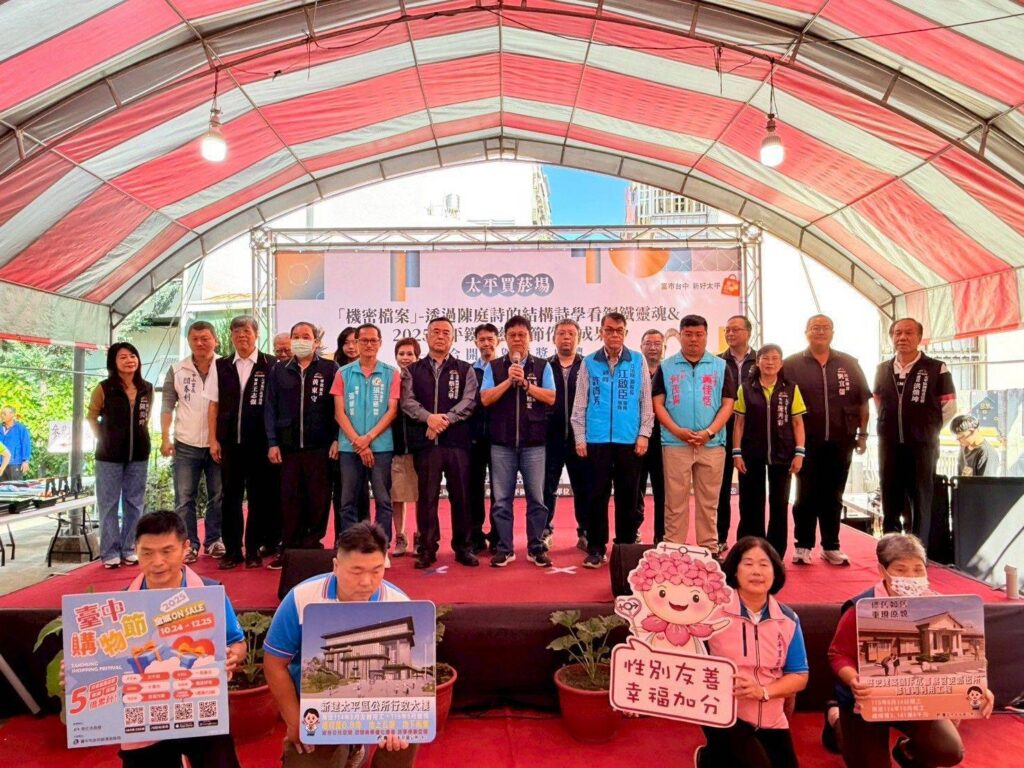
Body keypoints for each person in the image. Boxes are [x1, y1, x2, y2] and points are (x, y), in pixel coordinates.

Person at [62, 510, 246, 768]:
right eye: (147, 553)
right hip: (143, 718)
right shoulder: (118, 608)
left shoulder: (210, 593)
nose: (157, 562)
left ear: (185, 548)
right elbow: (101, 664)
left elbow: (237, 642)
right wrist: (76, 673)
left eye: (167, 551)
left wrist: (233, 655)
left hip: (201, 708)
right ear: (135, 549)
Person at [824, 533, 995, 767]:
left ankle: (907, 751)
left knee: (948, 750)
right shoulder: (860, 608)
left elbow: (966, 652)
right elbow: (838, 654)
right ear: (882, 571)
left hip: (918, 699)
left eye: (918, 569)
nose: (911, 577)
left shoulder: (940, 606)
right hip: (866, 701)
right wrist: (853, 679)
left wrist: (979, 685)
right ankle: (835, 719)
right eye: (901, 570)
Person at [264, 522, 416, 768]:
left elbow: (408, 677)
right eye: (356, 571)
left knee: (407, 737)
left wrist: (401, 720)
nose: (366, 581)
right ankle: (346, 749)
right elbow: (274, 663)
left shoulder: (400, 604)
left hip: (378, 705)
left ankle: (357, 746)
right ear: (336, 566)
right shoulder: (302, 598)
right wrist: (294, 720)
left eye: (376, 570)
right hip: (317, 707)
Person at [695, 536, 809, 768]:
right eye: (748, 563)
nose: (756, 571)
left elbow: (799, 675)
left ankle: (709, 759)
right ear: (734, 571)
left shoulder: (788, 619)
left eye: (764, 564)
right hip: (725, 715)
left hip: (772, 718)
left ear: (775, 572)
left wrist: (763, 691)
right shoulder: (711, 615)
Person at [784, 315, 870, 566]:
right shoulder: (791, 364)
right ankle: (803, 545)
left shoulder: (849, 363)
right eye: (815, 328)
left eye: (825, 328)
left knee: (834, 494)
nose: (820, 332)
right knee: (805, 494)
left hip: (841, 439)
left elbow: (863, 401)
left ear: (832, 332)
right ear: (806, 332)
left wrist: (863, 434)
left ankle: (831, 546)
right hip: (805, 441)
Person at [570, 312, 654, 568]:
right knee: (596, 496)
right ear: (601, 332)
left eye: (619, 330)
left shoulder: (637, 360)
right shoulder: (589, 362)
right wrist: (580, 437)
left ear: (625, 333)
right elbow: (580, 403)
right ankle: (596, 548)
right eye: (609, 330)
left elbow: (645, 401)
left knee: (628, 497)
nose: (614, 334)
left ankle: (624, 549)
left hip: (629, 440)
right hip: (596, 441)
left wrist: (644, 434)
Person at [653, 315, 736, 559]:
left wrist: (709, 432)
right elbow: (658, 404)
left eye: (699, 335)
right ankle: (673, 550)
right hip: (675, 443)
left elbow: (728, 404)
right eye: (688, 334)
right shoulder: (666, 366)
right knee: (674, 501)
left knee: (709, 502)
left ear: (706, 336)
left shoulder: (720, 366)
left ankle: (709, 550)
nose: (693, 340)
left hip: (712, 443)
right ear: (680, 336)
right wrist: (677, 430)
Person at [400, 317, 479, 569]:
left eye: (446, 332)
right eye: (435, 331)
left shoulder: (465, 369)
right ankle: (427, 548)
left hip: (457, 443)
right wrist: (428, 418)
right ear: (427, 336)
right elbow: (407, 402)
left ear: (453, 338)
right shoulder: (413, 370)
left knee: (461, 497)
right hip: (426, 445)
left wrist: (444, 420)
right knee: (427, 498)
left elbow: (469, 401)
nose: (440, 336)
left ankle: (463, 547)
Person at [874, 319, 956, 551]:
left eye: (909, 333)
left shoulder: (936, 368)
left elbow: (948, 406)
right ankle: (890, 550)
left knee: (920, 499)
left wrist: (927, 430)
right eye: (897, 333)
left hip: (922, 446)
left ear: (919, 338)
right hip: (889, 445)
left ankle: (917, 552)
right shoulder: (882, 369)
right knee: (890, 497)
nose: (902, 337)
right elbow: (879, 402)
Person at [480, 316, 556, 567]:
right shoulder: (494, 367)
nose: (517, 340)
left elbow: (551, 397)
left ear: (530, 338)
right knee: (502, 500)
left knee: (537, 499)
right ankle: (505, 548)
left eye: (522, 335)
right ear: (505, 339)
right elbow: (485, 398)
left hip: (534, 444)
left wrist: (525, 384)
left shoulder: (542, 366)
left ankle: (536, 547)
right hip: (501, 444)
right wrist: (508, 381)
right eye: (512, 335)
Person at [265, 321, 340, 562]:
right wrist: (272, 442)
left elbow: (339, 408)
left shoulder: (330, 368)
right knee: (289, 500)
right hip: (288, 448)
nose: (300, 340)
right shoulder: (279, 370)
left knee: (318, 500)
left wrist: (337, 438)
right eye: (296, 336)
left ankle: (312, 548)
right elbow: (270, 407)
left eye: (305, 336)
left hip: (320, 447)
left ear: (315, 342)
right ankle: (288, 550)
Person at [205, 315, 276, 569]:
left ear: (256, 334)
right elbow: (213, 405)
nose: (241, 336)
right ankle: (233, 551)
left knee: (259, 498)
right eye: (236, 332)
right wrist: (213, 439)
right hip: (229, 444)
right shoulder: (221, 365)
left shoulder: (271, 364)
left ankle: (253, 549)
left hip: (260, 444)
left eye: (246, 331)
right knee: (230, 498)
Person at [731, 344, 806, 558]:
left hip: (783, 454)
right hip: (751, 453)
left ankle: (775, 553)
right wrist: (737, 452)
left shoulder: (791, 389)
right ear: (758, 362)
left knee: (779, 504)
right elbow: (739, 423)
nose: (770, 362)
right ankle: (750, 549)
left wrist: (799, 453)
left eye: (775, 358)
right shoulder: (746, 388)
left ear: (781, 363)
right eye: (765, 358)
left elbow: (798, 423)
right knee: (751, 503)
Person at [331, 323, 399, 556]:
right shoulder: (343, 373)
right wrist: (358, 443)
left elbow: (392, 411)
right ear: (357, 343)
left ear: (380, 343)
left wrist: (368, 438)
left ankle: (381, 549)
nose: (369, 344)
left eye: (373, 340)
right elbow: (339, 413)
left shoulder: (391, 373)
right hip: (350, 447)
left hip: (381, 447)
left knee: (383, 500)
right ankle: (352, 549)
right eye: (364, 340)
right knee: (347, 501)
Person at [161, 320, 224, 563]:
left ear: (215, 340)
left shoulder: (225, 366)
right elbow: (167, 406)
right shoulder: (177, 370)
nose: (200, 343)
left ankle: (214, 540)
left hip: (217, 443)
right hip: (186, 443)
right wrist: (165, 437)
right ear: (188, 341)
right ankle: (189, 545)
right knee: (184, 498)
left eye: (205, 338)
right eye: (195, 339)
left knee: (218, 495)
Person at [88, 342, 154, 568]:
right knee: (108, 503)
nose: (129, 360)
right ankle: (109, 552)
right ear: (113, 362)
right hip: (108, 456)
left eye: (133, 356)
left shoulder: (147, 388)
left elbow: (145, 419)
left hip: (139, 453)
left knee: (135, 502)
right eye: (123, 357)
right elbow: (91, 416)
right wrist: (103, 438)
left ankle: (129, 548)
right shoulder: (104, 388)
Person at [542, 319, 588, 552]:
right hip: (551, 438)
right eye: (561, 333)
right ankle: (544, 532)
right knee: (546, 487)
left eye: (571, 333)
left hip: (581, 439)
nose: (566, 337)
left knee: (584, 488)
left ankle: (586, 533)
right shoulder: (544, 366)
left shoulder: (587, 365)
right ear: (553, 338)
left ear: (579, 338)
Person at [717, 316, 757, 555]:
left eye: (736, 330)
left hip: (752, 434)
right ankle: (719, 537)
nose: (730, 334)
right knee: (719, 488)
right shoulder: (717, 362)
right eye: (728, 330)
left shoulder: (761, 360)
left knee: (750, 490)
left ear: (748, 332)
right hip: (722, 431)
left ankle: (747, 540)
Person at [330, 326, 369, 537]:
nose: (351, 346)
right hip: (342, 442)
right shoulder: (334, 370)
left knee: (362, 491)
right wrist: (336, 438)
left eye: (355, 341)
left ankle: (364, 537)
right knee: (343, 493)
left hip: (367, 442)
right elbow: (333, 411)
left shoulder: (373, 370)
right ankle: (343, 538)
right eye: (346, 343)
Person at [468, 323, 499, 553]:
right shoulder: (469, 371)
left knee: (500, 491)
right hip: (474, 440)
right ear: (476, 342)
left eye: (490, 339)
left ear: (498, 341)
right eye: (482, 340)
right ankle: (475, 536)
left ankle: (498, 536)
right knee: (474, 489)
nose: (486, 344)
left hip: (500, 439)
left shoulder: (505, 369)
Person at [390, 338, 421, 556]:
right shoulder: (390, 380)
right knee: (397, 496)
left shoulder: (423, 381)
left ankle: (420, 536)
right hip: (396, 447)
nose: (405, 358)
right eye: (401, 354)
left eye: (410, 354)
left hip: (420, 447)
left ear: (417, 357)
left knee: (421, 495)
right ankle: (400, 537)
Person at [637, 329, 666, 543]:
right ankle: (633, 532)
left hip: (664, 440)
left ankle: (661, 536)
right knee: (634, 489)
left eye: (657, 343)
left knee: (662, 491)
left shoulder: (669, 372)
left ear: (664, 348)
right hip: (637, 439)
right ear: (641, 347)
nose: (653, 347)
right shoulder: (634, 370)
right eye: (648, 343)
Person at [0, 406, 31, 480]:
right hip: (1, 463)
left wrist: (25, 461)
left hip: (15, 463)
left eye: (4, 414)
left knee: (15, 485)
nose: (2, 415)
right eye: (1, 413)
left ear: (12, 414)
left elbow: (26, 445)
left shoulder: (21, 428)